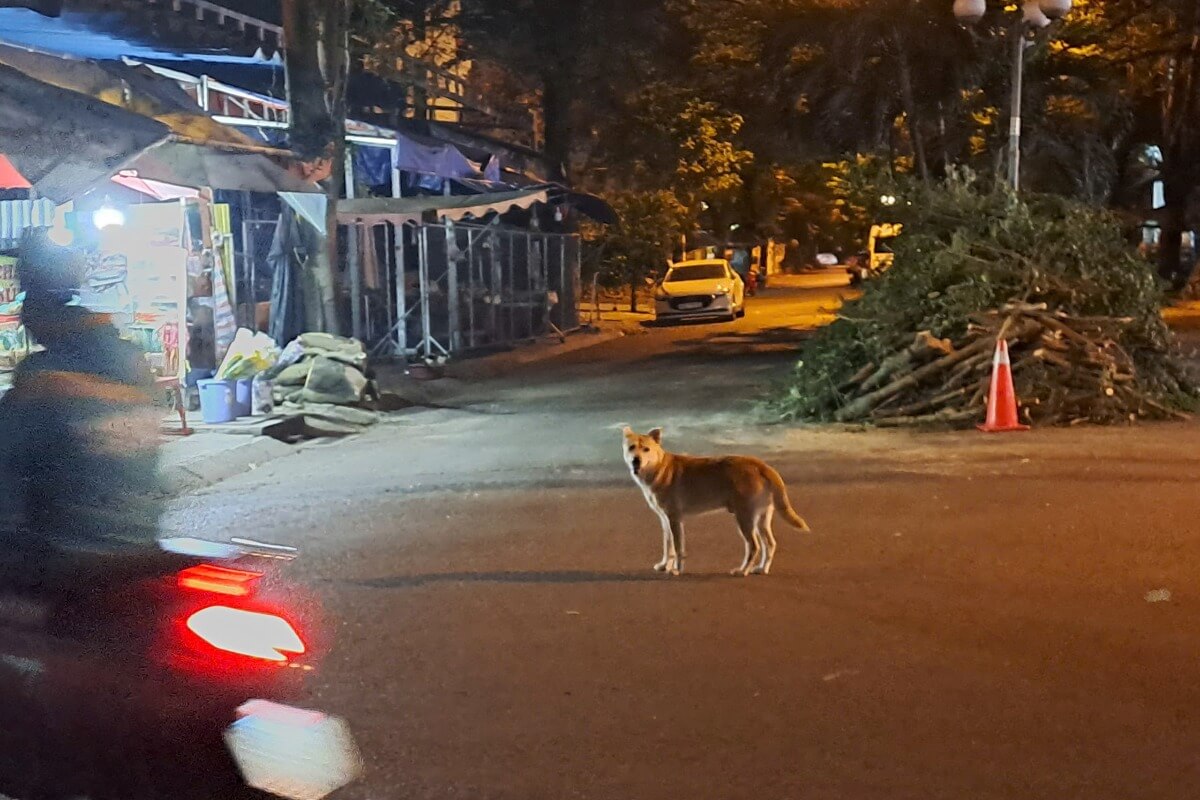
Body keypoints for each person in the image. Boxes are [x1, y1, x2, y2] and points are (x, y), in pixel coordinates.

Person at [0, 230, 165, 559]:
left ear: (39, 313)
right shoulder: (129, 360)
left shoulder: (40, 381)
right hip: (141, 541)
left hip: (64, 556)